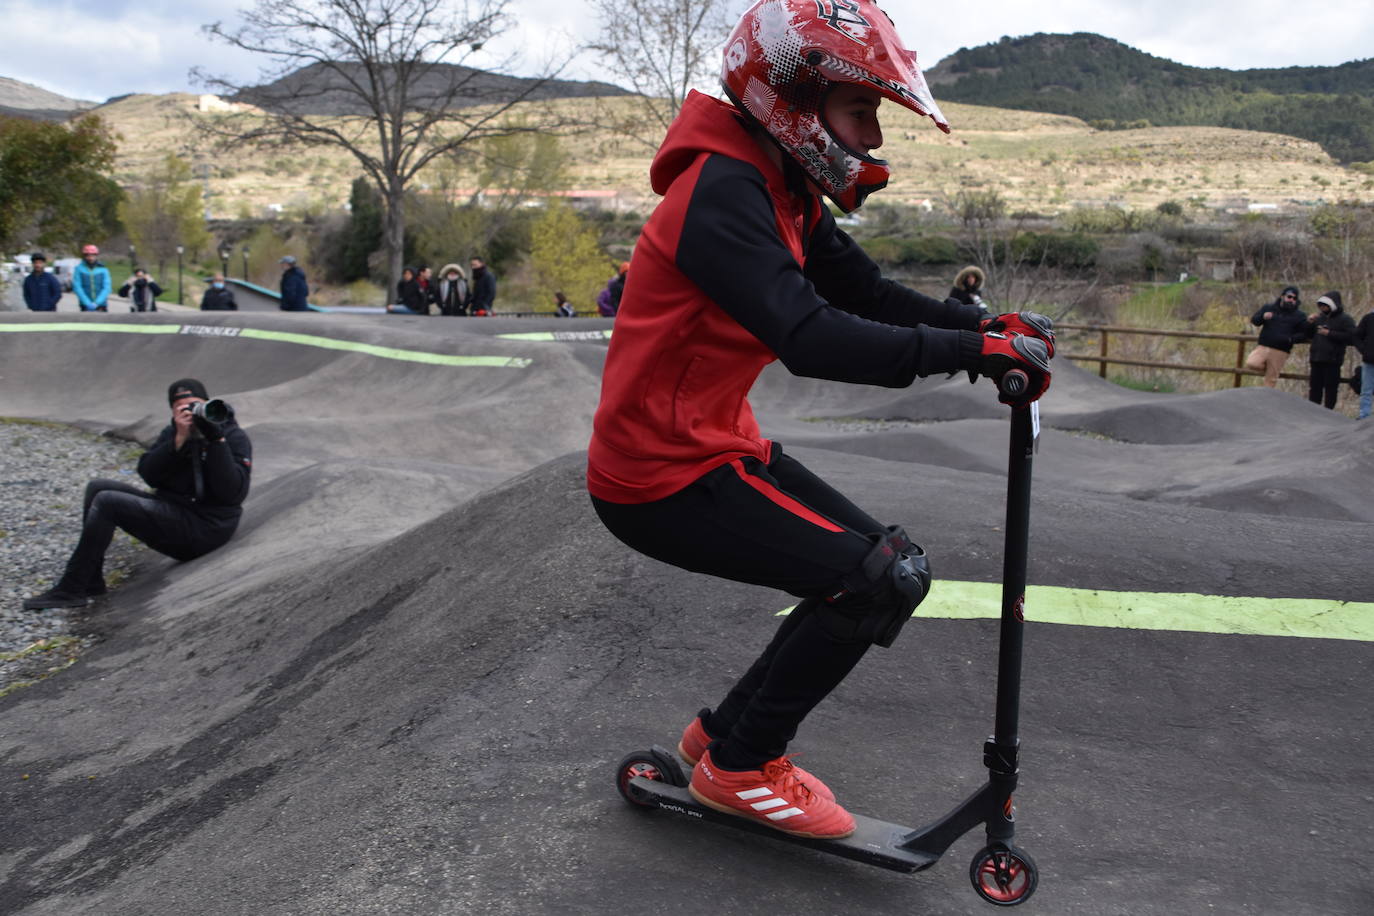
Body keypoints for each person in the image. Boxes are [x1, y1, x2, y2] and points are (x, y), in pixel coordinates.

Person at [585, 0, 1053, 841]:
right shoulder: (723, 193)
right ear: (792, 104)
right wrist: (970, 354)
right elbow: (809, 335)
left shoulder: (779, 185)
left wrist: (985, 330)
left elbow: (867, 294)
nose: (872, 137)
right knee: (876, 578)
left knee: (884, 567)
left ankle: (721, 740)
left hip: (713, 450)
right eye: (859, 110)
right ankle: (742, 767)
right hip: (659, 477)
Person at [22, 379, 252, 610]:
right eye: (182, 408)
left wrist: (215, 441)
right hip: (176, 514)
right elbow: (149, 475)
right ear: (173, 411)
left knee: (108, 502)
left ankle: (70, 589)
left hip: (207, 528)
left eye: (195, 405)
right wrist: (178, 441)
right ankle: (91, 581)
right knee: (97, 487)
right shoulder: (173, 432)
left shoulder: (232, 436)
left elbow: (231, 494)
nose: (191, 412)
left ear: (208, 404)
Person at [1296, 291, 1356, 409]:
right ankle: (1313, 411)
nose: (1322, 308)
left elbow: (1352, 337)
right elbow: (1308, 334)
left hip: (1333, 360)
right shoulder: (1319, 318)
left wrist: (1329, 333)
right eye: (1321, 305)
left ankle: (1329, 414)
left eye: (1325, 305)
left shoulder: (1345, 319)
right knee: (1314, 388)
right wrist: (1309, 323)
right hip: (1316, 358)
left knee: (1331, 389)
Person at [1246, 286, 1306, 387]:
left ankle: (1266, 400)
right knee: (1252, 363)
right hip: (1264, 345)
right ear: (1282, 296)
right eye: (1289, 297)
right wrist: (1263, 317)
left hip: (1281, 350)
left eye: (1294, 298)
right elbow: (1255, 321)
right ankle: (1268, 369)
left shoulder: (1300, 315)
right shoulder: (1269, 308)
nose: (1291, 300)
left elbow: (1303, 333)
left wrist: (1291, 339)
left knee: (1271, 379)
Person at [72, 244, 112, 312]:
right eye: (88, 255)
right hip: (85, 305)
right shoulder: (79, 269)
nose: (90, 258)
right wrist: (87, 302)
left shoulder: (103, 269)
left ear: (96, 255)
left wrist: (97, 303)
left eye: (93, 255)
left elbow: (107, 287)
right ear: (84, 256)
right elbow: (77, 287)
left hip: (101, 305)